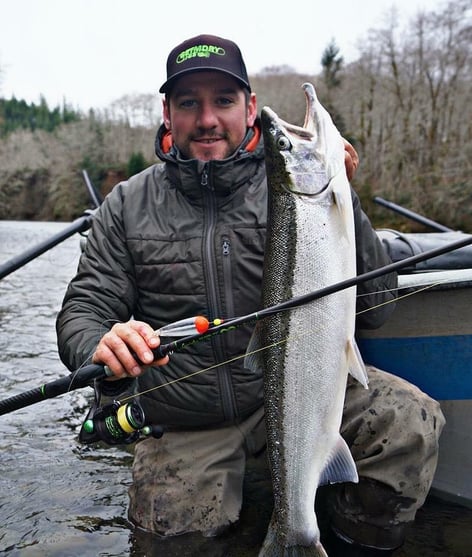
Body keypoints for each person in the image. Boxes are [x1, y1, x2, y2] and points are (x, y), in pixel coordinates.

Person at [56, 34, 445, 556]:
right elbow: (82, 312)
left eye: (223, 100)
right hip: (188, 420)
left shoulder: (298, 186)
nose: (208, 118)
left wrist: (344, 199)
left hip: (301, 397)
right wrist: (101, 343)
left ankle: (351, 541)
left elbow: (377, 305)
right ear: (168, 113)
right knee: (173, 535)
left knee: (408, 422)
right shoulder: (126, 205)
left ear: (251, 108)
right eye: (189, 103)